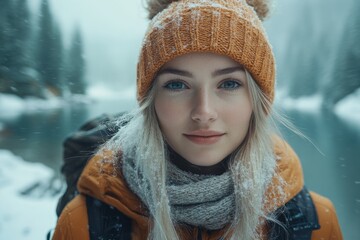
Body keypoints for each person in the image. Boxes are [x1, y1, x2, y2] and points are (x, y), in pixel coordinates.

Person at [52, 0, 343, 239]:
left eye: (229, 84)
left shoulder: (314, 223)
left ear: (258, 101)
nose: (204, 112)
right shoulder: (83, 224)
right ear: (150, 102)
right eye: (177, 85)